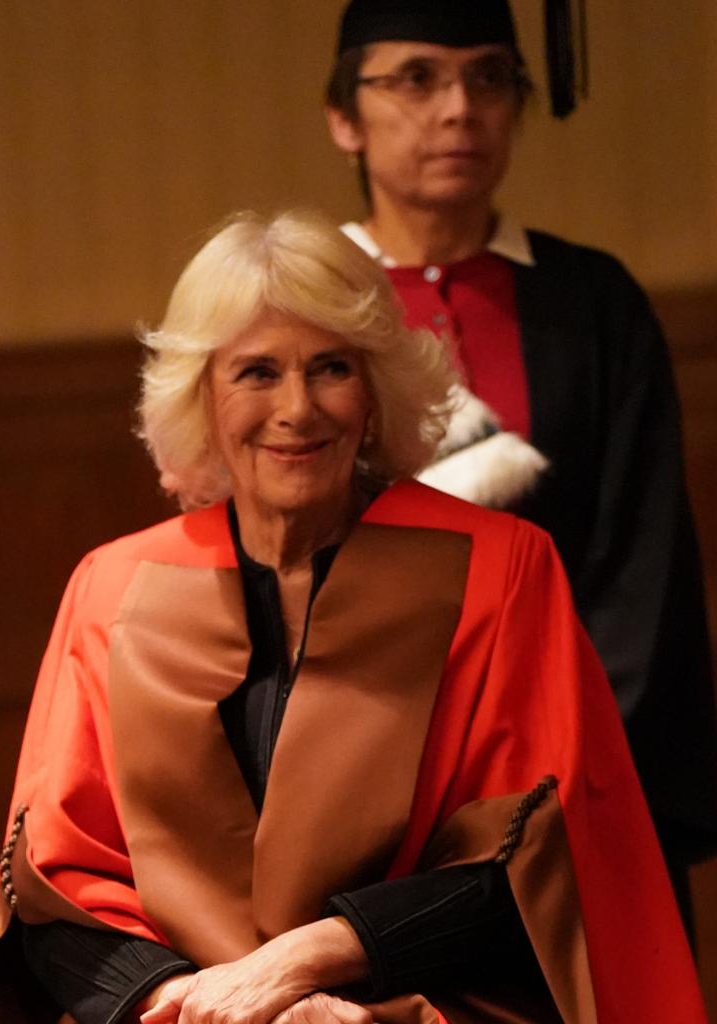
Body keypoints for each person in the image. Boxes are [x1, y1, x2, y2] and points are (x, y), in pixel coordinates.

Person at [0, 210, 706, 1024]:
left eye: (330, 368)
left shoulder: (500, 570)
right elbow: (48, 883)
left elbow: (543, 859)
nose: (298, 409)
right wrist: (190, 1002)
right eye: (256, 372)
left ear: (375, 388)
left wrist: (310, 962)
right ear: (201, 396)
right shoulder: (113, 589)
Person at [323, 0, 717, 926]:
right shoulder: (305, 306)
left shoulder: (592, 304)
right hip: (352, 793)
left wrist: (560, 775)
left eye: (491, 76)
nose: (460, 108)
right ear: (344, 116)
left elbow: (642, 569)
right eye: (416, 77)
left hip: (577, 779)